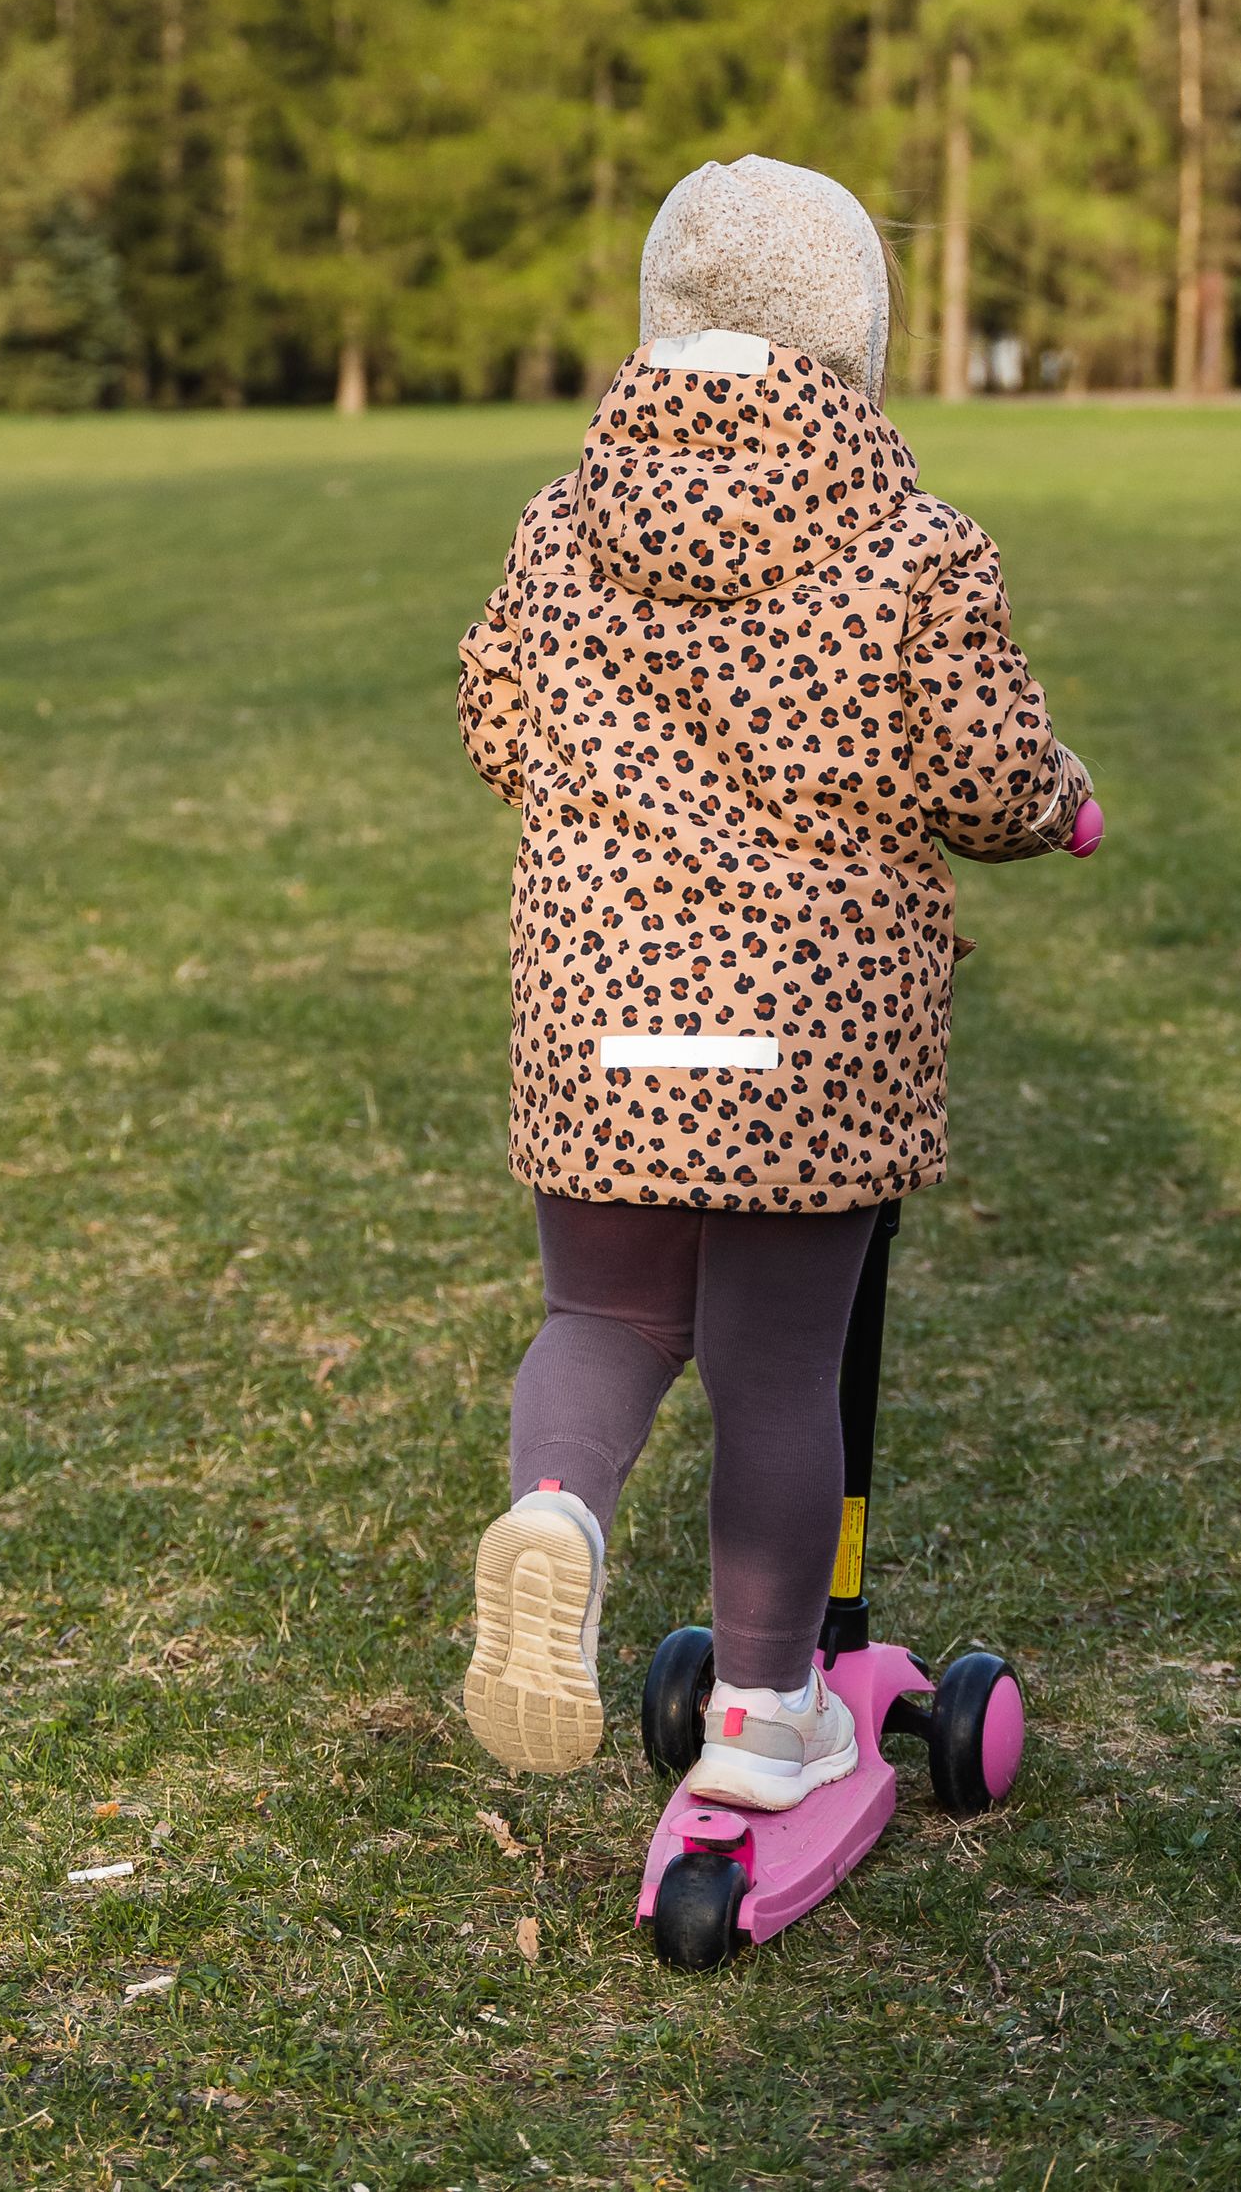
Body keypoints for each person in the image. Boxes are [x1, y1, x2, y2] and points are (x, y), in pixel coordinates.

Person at [451, 155, 1099, 1813]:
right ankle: (764, 1713)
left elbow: (497, 728)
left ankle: (560, 1516)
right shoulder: (907, 543)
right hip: (807, 1034)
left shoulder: (561, 523)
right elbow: (984, 768)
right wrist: (1059, 803)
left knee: (604, 1315)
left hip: (600, 1018)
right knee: (774, 1370)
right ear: (855, 343)